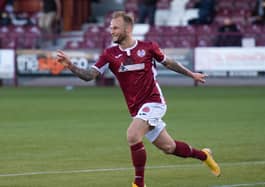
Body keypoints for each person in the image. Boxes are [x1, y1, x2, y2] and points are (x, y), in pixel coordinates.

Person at [56, 11, 221, 187]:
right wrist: (71, 66)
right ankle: (204, 155)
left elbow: (169, 62)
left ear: (127, 29)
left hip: (154, 102)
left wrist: (191, 74)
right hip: (137, 110)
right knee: (169, 147)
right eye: (110, 27)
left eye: (115, 28)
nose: (111, 31)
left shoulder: (148, 47)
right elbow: (90, 75)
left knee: (132, 135)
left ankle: (138, 184)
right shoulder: (109, 54)